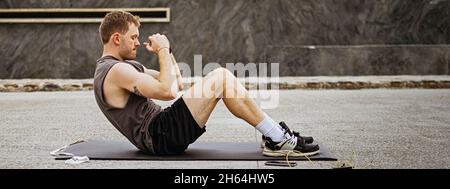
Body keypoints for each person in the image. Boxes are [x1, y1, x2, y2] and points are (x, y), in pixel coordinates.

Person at [94, 11, 319, 156]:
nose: (137, 42)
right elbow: (165, 91)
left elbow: (176, 84)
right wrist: (161, 50)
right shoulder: (115, 71)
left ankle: (276, 135)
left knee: (221, 79)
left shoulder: (122, 68)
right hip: (159, 135)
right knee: (220, 77)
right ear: (116, 38)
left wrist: (167, 52)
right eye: (133, 37)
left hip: (163, 130)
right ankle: (278, 139)